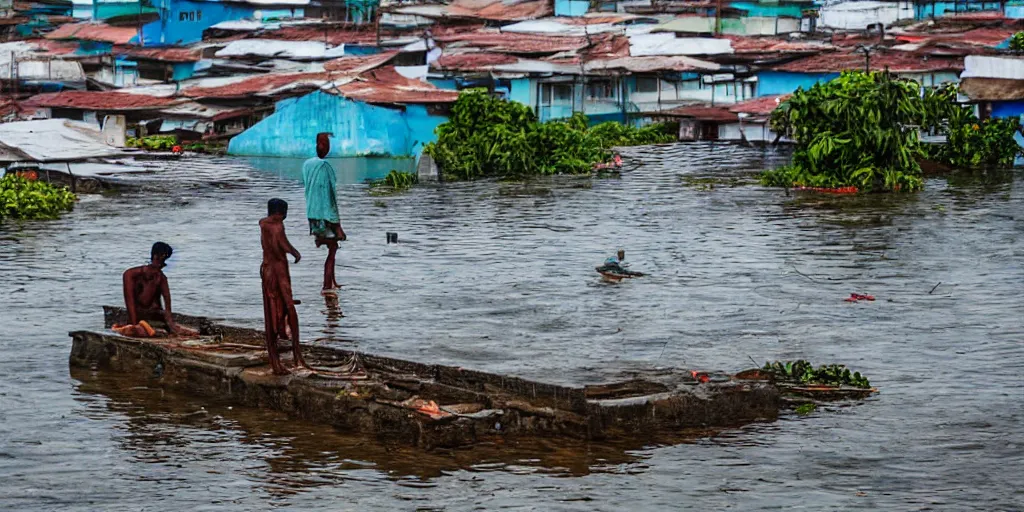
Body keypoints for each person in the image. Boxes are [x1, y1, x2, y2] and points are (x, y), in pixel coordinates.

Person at [259, 198, 308, 375]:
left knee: (271, 312)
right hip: (278, 271)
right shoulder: (277, 226)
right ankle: (296, 355)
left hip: (267, 270)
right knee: (289, 309)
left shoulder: (264, 225)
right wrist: (295, 252)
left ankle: (276, 359)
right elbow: (282, 244)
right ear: (280, 213)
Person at [302, 132, 347, 294]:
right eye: (324, 143)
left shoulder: (307, 164)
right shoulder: (325, 166)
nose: (326, 147)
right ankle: (327, 285)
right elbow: (330, 196)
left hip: (312, 214)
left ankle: (332, 281)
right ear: (320, 146)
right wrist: (337, 224)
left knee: (332, 248)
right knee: (333, 248)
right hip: (325, 216)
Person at [122, 242, 194, 336]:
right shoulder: (130, 275)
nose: (163, 265)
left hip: (154, 316)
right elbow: (130, 302)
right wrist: (134, 325)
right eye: (162, 259)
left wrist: (172, 326)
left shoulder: (161, 278)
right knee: (139, 329)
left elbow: (167, 306)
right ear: (155, 256)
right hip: (139, 317)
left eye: (164, 260)